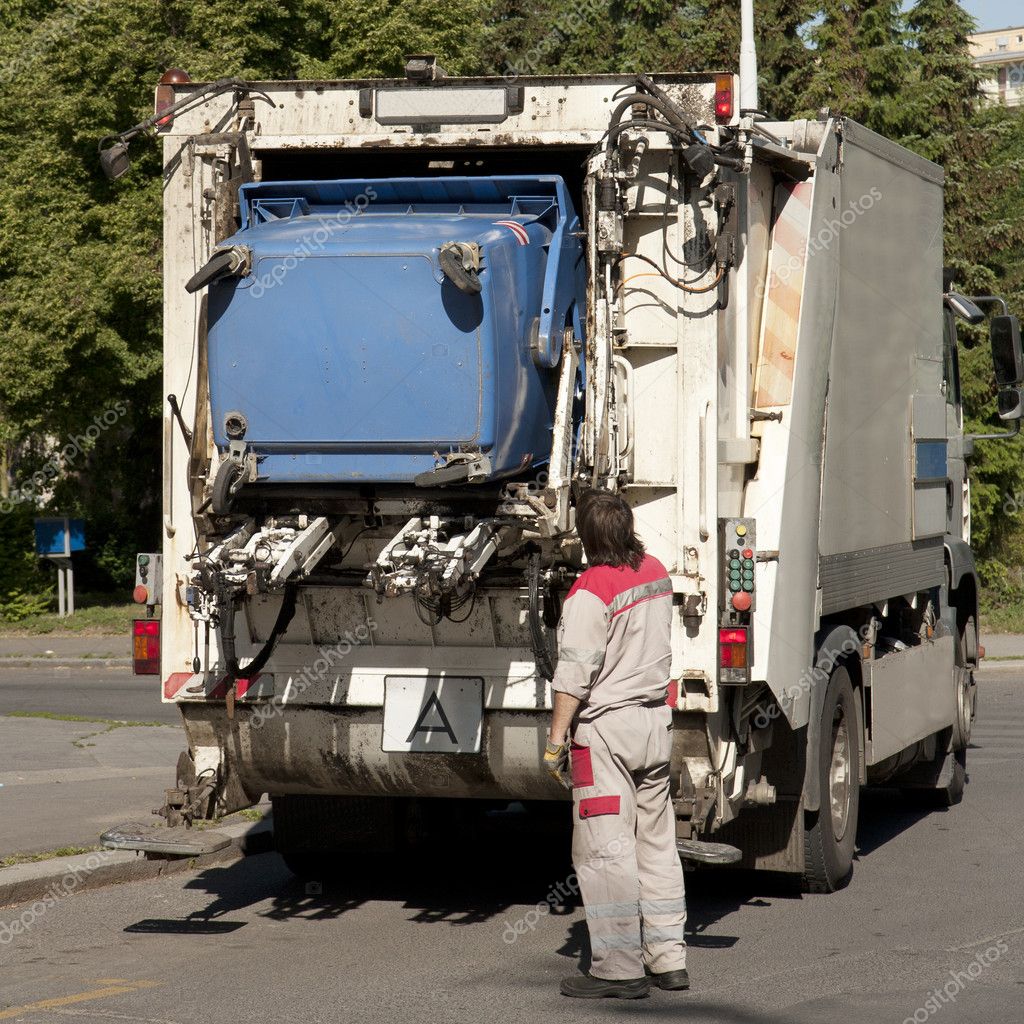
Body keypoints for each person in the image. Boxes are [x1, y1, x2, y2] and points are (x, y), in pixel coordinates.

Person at [543, 488, 688, 999]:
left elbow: (574, 675)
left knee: (607, 853)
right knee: (657, 847)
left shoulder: (590, 590)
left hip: (606, 733)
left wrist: (557, 740)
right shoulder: (656, 572)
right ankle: (669, 960)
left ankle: (619, 968)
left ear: (585, 538)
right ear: (627, 528)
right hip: (654, 725)